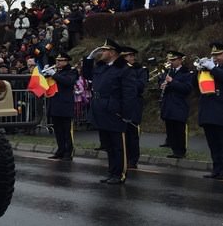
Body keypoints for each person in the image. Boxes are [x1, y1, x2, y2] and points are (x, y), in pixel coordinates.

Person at [83, 39, 137, 184]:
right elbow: (87, 75)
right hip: (101, 110)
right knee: (108, 145)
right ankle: (112, 172)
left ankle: (120, 173)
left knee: (118, 146)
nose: (101, 53)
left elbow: (129, 94)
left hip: (114, 111)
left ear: (112, 53)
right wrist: (89, 58)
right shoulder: (102, 67)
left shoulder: (124, 69)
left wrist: (126, 114)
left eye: (104, 50)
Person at [196, 42, 223, 180]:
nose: (215, 58)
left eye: (219, 55)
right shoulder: (209, 69)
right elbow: (197, 87)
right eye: (213, 55)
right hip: (208, 111)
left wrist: (213, 68)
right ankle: (216, 169)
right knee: (213, 143)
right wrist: (199, 70)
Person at [43, 53, 78, 160]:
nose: (57, 62)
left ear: (66, 61)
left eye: (60, 60)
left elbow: (68, 82)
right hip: (55, 104)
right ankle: (60, 150)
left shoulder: (72, 71)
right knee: (58, 130)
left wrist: (54, 74)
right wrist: (45, 73)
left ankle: (68, 152)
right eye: (57, 60)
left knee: (67, 131)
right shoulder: (56, 71)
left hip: (65, 105)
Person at [158, 51, 193, 159]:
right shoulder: (168, 71)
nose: (170, 62)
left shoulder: (186, 73)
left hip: (179, 105)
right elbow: (161, 82)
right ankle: (174, 150)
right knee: (170, 129)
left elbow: (187, 88)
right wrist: (162, 85)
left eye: (173, 60)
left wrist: (172, 82)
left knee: (179, 130)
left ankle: (180, 151)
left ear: (180, 60)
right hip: (168, 104)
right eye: (169, 60)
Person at [120, 45, 147, 169]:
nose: (130, 58)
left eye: (131, 56)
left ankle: (133, 159)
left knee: (132, 133)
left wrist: (128, 78)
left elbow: (140, 86)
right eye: (127, 56)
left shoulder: (140, 70)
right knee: (121, 133)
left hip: (134, 104)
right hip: (121, 104)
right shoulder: (119, 69)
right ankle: (123, 157)